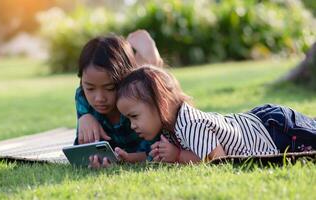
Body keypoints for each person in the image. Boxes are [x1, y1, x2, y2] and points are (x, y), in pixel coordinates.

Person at [116, 65, 316, 164]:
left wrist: (177, 155)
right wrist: (129, 158)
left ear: (161, 104)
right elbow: (154, 154)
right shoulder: (169, 129)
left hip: (274, 130)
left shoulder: (190, 125)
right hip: (260, 124)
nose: (132, 125)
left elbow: (218, 160)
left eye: (134, 116)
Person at [74, 30, 163, 168]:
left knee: (149, 81)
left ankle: (151, 61)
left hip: (145, 89)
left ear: (124, 80)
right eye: (90, 88)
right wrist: (84, 117)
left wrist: (127, 159)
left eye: (109, 88)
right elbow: (81, 150)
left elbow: (156, 152)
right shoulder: (83, 98)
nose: (99, 98)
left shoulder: (141, 102)